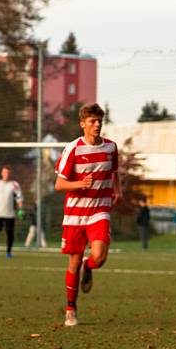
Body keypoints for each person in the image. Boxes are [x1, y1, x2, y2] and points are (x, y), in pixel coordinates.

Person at [55, 103, 120, 327]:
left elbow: (114, 172)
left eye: (99, 120)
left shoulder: (111, 147)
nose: (97, 124)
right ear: (83, 124)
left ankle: (89, 265)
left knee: (100, 256)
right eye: (92, 121)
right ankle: (71, 310)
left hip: (99, 210)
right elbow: (59, 184)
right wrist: (79, 183)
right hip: (75, 214)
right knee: (73, 262)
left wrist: (117, 189)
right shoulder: (72, 149)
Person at [0, 165, 24, 258]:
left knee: (10, 233)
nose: (6, 174)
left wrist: (21, 210)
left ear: (10, 174)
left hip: (10, 214)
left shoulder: (14, 184)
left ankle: (9, 252)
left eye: (8, 172)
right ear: (1, 173)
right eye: (4, 172)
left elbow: (19, 198)